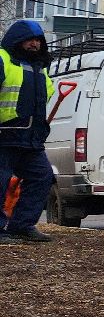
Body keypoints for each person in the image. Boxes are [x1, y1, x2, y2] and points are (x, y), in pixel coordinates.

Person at [0, 19, 57, 244]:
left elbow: (46, 97)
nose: (34, 44)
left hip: (30, 140)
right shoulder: (3, 61)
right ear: (17, 40)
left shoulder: (39, 69)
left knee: (42, 177)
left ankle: (22, 225)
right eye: (29, 40)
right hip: (4, 137)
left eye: (38, 40)